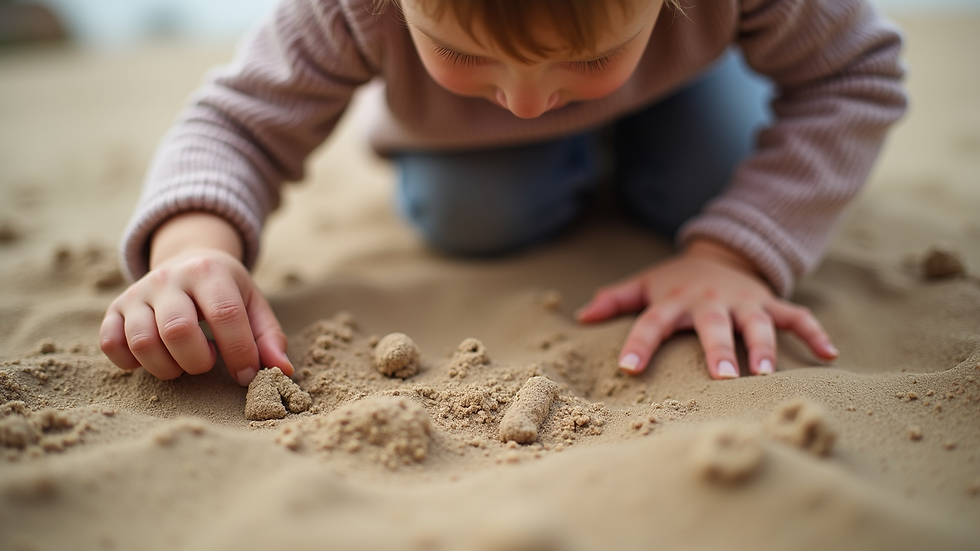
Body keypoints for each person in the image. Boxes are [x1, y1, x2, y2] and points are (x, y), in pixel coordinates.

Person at [99, 0, 907, 386]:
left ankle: (636, 111)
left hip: (681, 87)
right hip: (465, 144)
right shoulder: (348, 9)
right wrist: (194, 247)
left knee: (705, 182)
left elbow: (854, 73)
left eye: (586, 62)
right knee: (476, 217)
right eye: (461, 52)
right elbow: (237, 124)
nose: (526, 99)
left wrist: (734, 252)